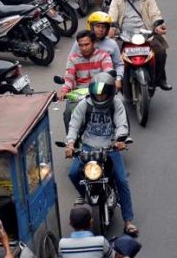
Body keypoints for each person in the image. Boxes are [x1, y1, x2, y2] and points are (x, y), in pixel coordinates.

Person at [65, 72, 138, 236]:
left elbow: (121, 124)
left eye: (103, 94)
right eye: (97, 94)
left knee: (122, 180)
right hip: (88, 147)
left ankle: (128, 220)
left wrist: (120, 140)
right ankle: (84, 194)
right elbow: (74, 124)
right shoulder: (84, 104)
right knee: (73, 173)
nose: (99, 97)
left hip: (109, 148)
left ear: (111, 92)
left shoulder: (116, 103)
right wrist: (70, 144)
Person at [107, 0, 172, 91]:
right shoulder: (117, 0)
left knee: (160, 53)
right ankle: (115, 83)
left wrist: (158, 25)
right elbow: (112, 16)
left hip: (146, 34)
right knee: (111, 55)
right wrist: (111, 27)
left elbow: (155, 14)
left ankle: (161, 79)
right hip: (123, 35)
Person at [57, 30, 114, 132]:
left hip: (100, 91)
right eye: (81, 45)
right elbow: (69, 77)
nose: (83, 48)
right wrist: (64, 91)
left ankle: (122, 137)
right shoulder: (73, 59)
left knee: (118, 107)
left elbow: (108, 72)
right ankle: (71, 143)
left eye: (86, 44)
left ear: (93, 43)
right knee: (68, 114)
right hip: (79, 93)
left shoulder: (104, 56)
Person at [69, 12, 125, 91]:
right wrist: (69, 84)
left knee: (119, 102)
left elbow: (119, 64)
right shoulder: (81, 41)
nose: (101, 30)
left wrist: (118, 79)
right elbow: (71, 62)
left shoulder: (112, 44)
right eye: (98, 26)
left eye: (103, 27)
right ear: (91, 27)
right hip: (82, 86)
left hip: (106, 86)